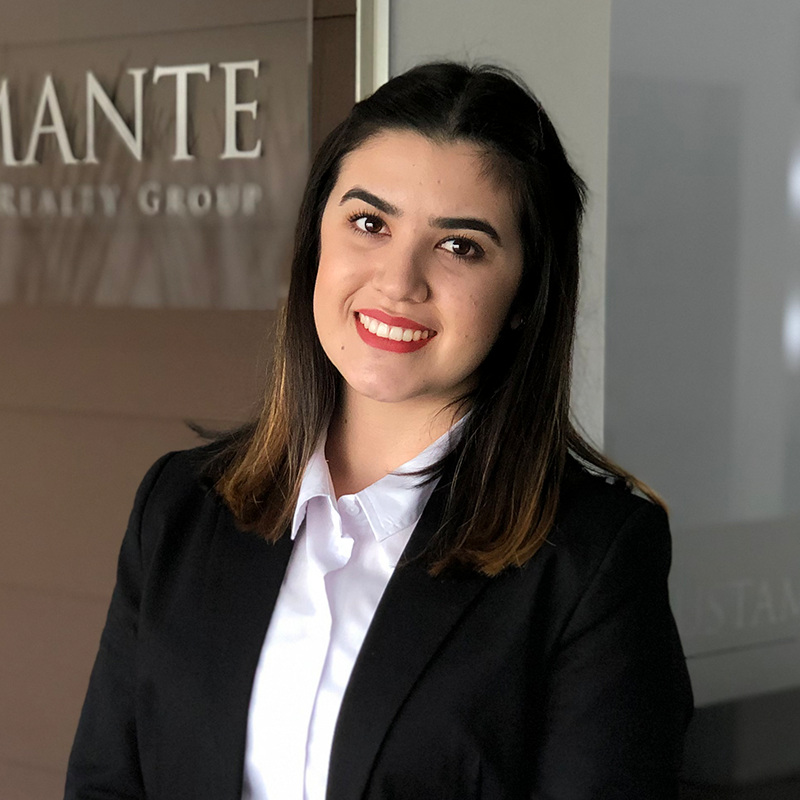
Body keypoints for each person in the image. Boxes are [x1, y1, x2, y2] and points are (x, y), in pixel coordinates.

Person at [65, 62, 693, 800]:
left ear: (526, 294)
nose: (399, 281)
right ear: (316, 242)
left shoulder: (594, 560)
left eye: (460, 246)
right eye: (370, 223)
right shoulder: (178, 506)